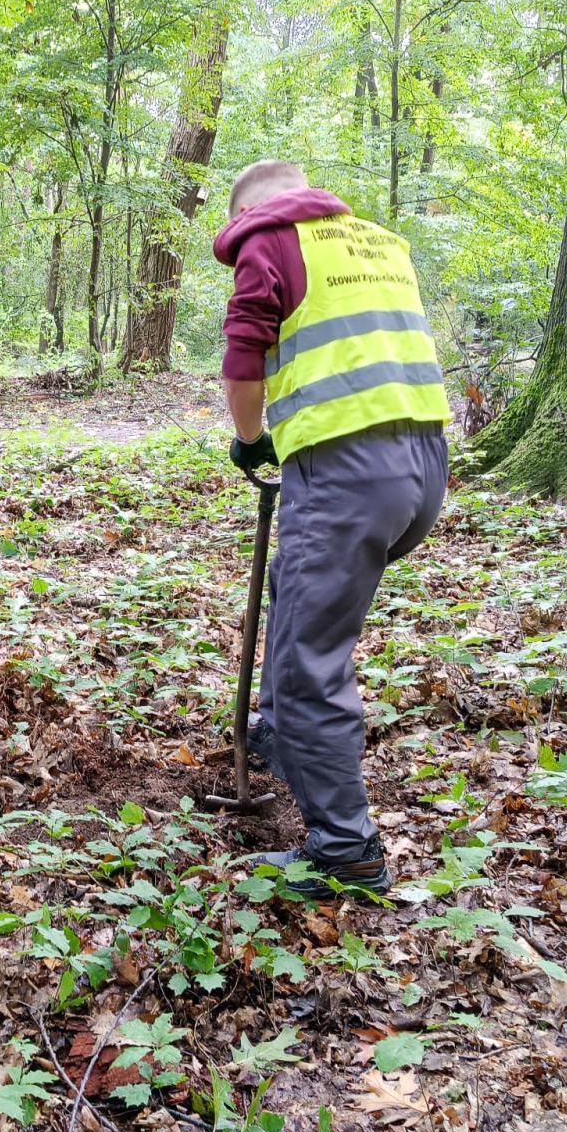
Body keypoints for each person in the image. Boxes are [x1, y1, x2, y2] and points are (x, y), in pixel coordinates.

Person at [215, 160, 451, 898]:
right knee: (294, 600)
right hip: (421, 465)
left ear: (255, 208)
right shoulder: (376, 241)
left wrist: (251, 439)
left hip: (347, 470)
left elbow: (244, 357)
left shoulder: (271, 238)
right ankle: (285, 741)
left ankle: (346, 851)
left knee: (305, 660)